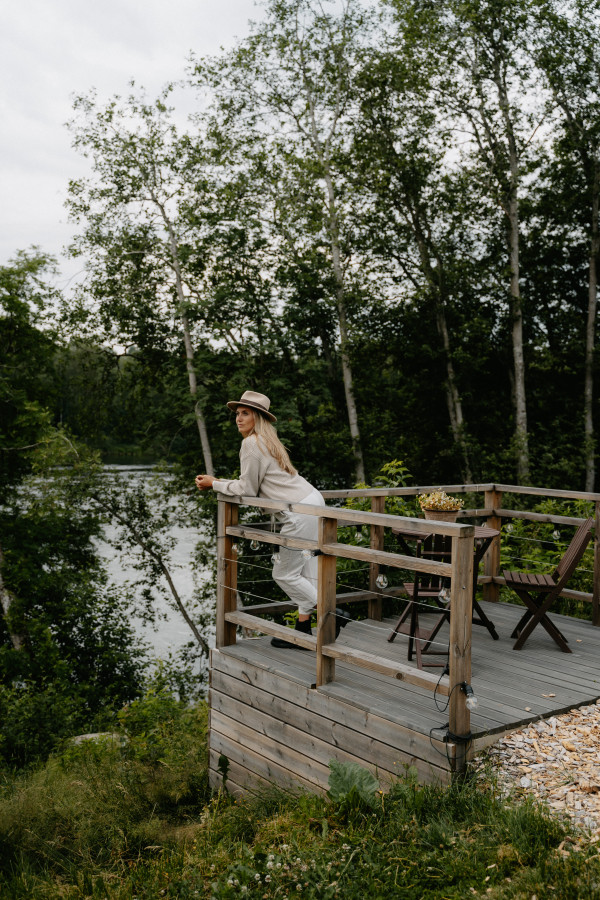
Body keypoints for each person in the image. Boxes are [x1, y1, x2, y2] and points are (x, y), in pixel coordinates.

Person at [195, 390, 325, 648]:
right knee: (306, 572)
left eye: (245, 413)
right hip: (313, 501)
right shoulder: (268, 441)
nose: (239, 418)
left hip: (299, 510)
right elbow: (252, 484)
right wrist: (219, 482)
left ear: (258, 418)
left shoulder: (252, 443)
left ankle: (332, 613)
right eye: (237, 414)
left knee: (285, 574)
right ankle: (303, 631)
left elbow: (247, 490)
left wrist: (214, 484)